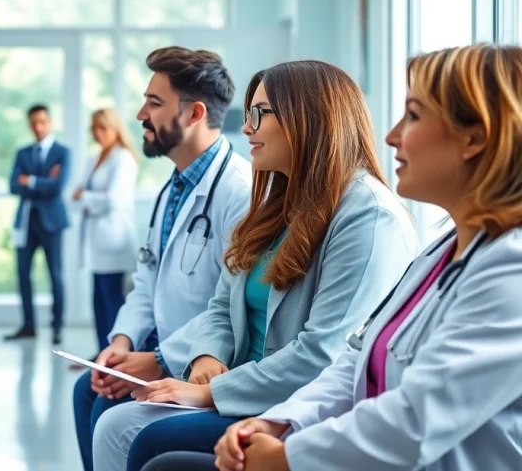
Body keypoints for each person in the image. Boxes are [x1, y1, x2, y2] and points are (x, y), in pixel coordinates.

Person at [93, 60, 419, 471]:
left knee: (137, 432)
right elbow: (220, 306)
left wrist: (213, 392)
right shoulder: (277, 204)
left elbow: (322, 354)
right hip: (238, 385)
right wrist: (206, 359)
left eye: (259, 115)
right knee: (114, 417)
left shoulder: (367, 217)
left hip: (290, 405)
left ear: (308, 119)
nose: (246, 128)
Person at [212, 44, 522, 471]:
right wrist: (280, 424)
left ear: (475, 138)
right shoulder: (442, 251)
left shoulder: (511, 274)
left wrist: (288, 457)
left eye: (413, 115)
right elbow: (356, 356)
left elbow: (415, 421)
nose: (392, 136)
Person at [72, 47, 252, 471]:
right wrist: (121, 344)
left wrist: (156, 361)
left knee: (106, 408)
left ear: (194, 114)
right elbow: (147, 278)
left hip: (207, 363)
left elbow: (228, 308)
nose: (139, 114)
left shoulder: (238, 193)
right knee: (89, 390)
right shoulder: (174, 188)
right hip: (164, 350)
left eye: (154, 103)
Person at [71, 107, 139, 353]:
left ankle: (115, 353)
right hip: (94, 241)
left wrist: (86, 198)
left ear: (115, 128)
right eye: (94, 129)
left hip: (113, 241)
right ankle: (101, 350)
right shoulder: (94, 159)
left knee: (111, 301)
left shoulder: (123, 158)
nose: (98, 133)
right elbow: (74, 198)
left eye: (103, 128)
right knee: (98, 300)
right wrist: (89, 199)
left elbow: (112, 199)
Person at [6, 103, 72, 344]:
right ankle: (28, 325)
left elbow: (57, 187)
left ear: (50, 122)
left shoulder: (62, 152)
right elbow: (13, 185)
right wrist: (43, 180)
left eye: (42, 122)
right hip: (26, 220)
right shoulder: (23, 153)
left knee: (55, 274)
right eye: (33, 123)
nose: (38, 127)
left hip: (52, 221)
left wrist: (30, 180)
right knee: (23, 273)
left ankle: (57, 326)